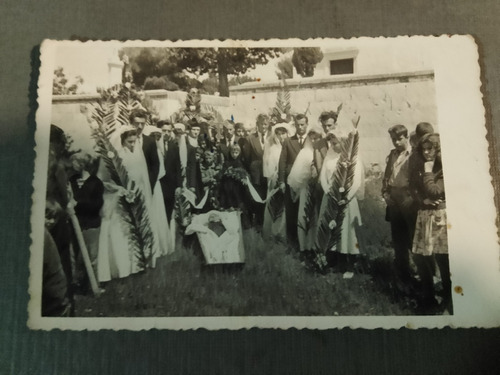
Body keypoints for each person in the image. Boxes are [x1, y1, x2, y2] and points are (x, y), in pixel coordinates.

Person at [97, 126, 157, 282]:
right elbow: (102, 181)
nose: (132, 145)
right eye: (129, 142)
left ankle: (137, 265)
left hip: (137, 198)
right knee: (120, 233)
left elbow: (142, 177)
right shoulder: (113, 157)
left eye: (134, 141)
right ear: (121, 141)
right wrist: (119, 189)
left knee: (137, 229)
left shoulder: (137, 154)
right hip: (118, 200)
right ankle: (122, 268)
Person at [411, 133, 451, 313]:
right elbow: (413, 188)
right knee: (422, 256)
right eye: (424, 149)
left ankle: (448, 297)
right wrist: (422, 200)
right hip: (424, 214)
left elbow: (435, 191)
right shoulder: (420, 165)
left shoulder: (443, 167)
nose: (427, 152)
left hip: (439, 217)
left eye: (430, 149)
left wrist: (428, 171)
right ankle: (429, 295)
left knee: (443, 259)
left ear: (437, 149)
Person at [317, 131, 365, 271]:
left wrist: (345, 198)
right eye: (331, 143)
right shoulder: (330, 156)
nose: (333, 145)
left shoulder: (353, 157)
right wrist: (328, 192)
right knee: (331, 228)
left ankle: (350, 263)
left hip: (346, 201)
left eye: (335, 142)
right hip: (331, 198)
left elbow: (355, 182)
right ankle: (334, 260)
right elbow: (323, 177)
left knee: (347, 230)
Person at [382, 124, 415, 283]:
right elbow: (387, 176)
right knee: (398, 236)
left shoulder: (413, 154)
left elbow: (418, 179)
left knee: (413, 236)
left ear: (406, 137)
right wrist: (386, 194)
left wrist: (413, 197)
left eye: (399, 139)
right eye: (393, 140)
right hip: (394, 197)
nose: (396, 143)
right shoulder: (392, 154)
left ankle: (420, 272)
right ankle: (403, 272)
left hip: (408, 197)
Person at [287, 124, 324, 257]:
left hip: (319, 189)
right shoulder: (305, 153)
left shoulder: (322, 151)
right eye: (312, 138)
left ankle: (315, 246)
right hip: (306, 188)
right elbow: (297, 173)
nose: (314, 141)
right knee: (305, 215)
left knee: (316, 217)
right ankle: (304, 247)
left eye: (317, 139)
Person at [278, 114, 309, 244]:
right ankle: (292, 242)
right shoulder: (289, 141)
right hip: (292, 182)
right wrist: (281, 181)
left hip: (307, 183)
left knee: (306, 211)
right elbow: (282, 162)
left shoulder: (311, 141)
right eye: (298, 125)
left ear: (307, 125)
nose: (300, 127)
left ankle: (306, 242)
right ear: (294, 125)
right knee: (292, 212)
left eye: (302, 124)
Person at [143, 125, 173, 255]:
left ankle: (157, 246)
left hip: (155, 185)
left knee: (157, 214)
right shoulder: (146, 150)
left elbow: (160, 171)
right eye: (153, 136)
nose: (156, 139)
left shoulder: (158, 151)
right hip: (148, 184)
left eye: (157, 136)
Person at [262, 122, 291, 241]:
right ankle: (269, 232)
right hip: (273, 180)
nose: (281, 137)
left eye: (283, 133)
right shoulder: (272, 148)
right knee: (272, 205)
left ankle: (280, 233)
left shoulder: (288, 146)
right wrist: (272, 177)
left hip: (285, 180)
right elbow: (267, 163)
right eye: (278, 134)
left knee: (283, 207)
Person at [242, 114, 270, 228]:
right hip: (257, 175)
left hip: (269, 174)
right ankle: (258, 224)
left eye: (265, 124)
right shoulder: (250, 138)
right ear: (257, 124)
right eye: (261, 124)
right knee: (258, 199)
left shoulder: (272, 137)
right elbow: (247, 157)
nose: (263, 127)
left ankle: (267, 225)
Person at [129, 109, 160, 195]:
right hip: (128, 185)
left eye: (142, 123)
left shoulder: (150, 141)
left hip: (146, 186)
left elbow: (155, 166)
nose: (140, 127)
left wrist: (149, 185)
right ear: (131, 123)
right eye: (137, 123)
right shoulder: (124, 140)